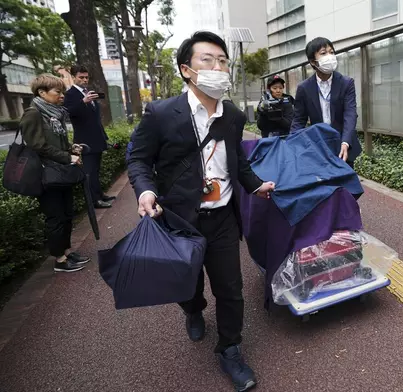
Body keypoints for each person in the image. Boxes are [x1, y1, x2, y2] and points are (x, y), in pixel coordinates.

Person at [127, 31, 275, 392]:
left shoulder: (234, 116)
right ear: (186, 70)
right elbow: (138, 158)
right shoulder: (161, 114)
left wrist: (256, 184)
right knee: (187, 283)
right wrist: (145, 190)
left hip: (222, 217)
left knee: (231, 288)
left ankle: (230, 349)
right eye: (207, 59)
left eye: (223, 60)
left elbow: (236, 160)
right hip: (178, 219)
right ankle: (193, 309)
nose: (218, 66)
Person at [21, 74, 91, 272]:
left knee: (67, 214)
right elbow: (37, 145)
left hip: (60, 172)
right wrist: (66, 157)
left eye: (62, 92)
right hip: (46, 175)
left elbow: (56, 142)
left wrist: (71, 148)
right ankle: (59, 259)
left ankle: (66, 251)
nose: (62, 96)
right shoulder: (33, 113)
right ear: (42, 93)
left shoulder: (55, 113)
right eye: (57, 92)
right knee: (55, 217)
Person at [290, 37, 362, 168]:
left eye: (332, 52)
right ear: (313, 62)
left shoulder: (346, 83)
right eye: (324, 53)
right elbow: (299, 120)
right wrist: (292, 144)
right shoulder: (304, 88)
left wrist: (345, 142)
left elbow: (350, 114)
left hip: (343, 145)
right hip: (318, 148)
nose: (330, 56)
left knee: (346, 186)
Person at [63, 64, 114, 209]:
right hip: (84, 140)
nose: (85, 80)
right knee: (89, 171)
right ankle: (94, 201)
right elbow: (67, 113)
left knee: (96, 169)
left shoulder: (88, 92)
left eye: (86, 77)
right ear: (73, 77)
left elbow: (94, 117)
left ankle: (100, 195)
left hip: (96, 137)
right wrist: (83, 102)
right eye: (81, 77)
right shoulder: (70, 94)